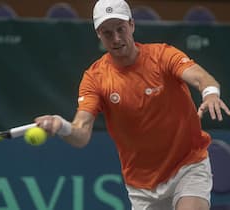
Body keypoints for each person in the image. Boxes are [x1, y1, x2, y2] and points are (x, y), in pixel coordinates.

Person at [34, 0, 230, 209]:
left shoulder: (162, 55)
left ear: (132, 25)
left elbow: (201, 78)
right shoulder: (95, 78)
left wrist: (210, 94)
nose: (116, 38)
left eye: (121, 29)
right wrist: (61, 125)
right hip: (142, 186)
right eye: (108, 33)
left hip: (187, 165)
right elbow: (81, 134)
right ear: (99, 35)